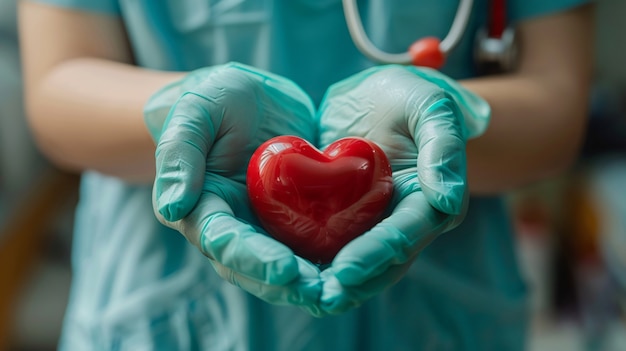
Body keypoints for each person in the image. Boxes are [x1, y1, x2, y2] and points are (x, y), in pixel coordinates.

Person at [18, 0, 593, 350]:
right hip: (168, 314)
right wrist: (187, 110)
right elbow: (54, 89)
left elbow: (559, 103)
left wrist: (435, 117)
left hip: (435, 321)